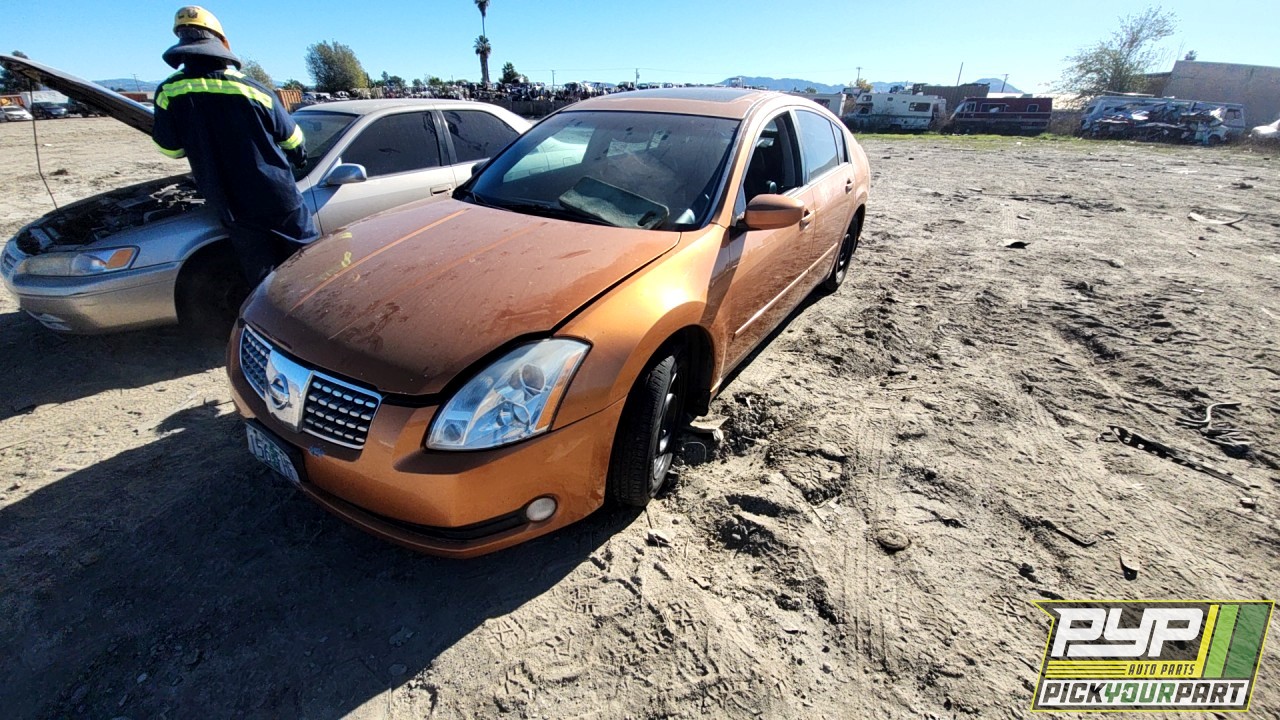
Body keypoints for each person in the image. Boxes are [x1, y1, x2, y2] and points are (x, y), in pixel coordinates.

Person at [152, 6, 317, 286]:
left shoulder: (169, 92)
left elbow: (171, 150)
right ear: (221, 44)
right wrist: (299, 160)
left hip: (229, 203)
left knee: (261, 274)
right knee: (309, 261)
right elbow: (294, 142)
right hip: (277, 197)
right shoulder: (254, 91)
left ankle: (268, 319)